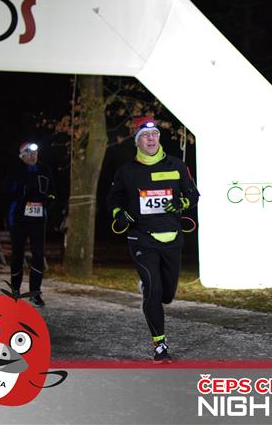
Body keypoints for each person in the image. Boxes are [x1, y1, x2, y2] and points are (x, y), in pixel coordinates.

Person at [107, 117, 199, 363]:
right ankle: (160, 345)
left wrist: (182, 202)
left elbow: (193, 195)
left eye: (154, 134)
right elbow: (113, 200)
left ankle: (151, 289)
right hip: (142, 240)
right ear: (137, 141)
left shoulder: (176, 165)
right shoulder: (126, 171)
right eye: (145, 136)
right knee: (154, 291)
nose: (151, 138)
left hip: (172, 238)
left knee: (167, 295)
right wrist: (119, 214)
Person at [6, 142, 55, 307]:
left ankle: (35, 293)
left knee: (38, 255)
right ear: (22, 156)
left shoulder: (44, 170)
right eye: (29, 154)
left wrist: (49, 201)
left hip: (38, 220)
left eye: (35, 153)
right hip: (18, 219)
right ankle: (15, 290)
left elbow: (53, 191)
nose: (33, 156)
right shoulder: (15, 170)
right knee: (17, 255)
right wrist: (22, 195)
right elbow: (6, 192)